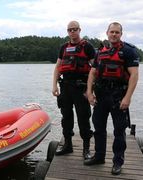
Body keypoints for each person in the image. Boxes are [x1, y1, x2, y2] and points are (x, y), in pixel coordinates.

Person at [84, 22, 139, 175]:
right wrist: (89, 92)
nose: (114, 34)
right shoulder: (100, 51)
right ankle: (99, 157)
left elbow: (134, 75)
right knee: (98, 127)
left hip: (118, 95)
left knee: (119, 130)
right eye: (111, 32)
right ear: (107, 32)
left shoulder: (129, 51)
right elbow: (92, 73)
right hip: (101, 95)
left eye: (117, 32)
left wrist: (128, 98)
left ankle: (117, 162)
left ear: (121, 34)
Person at [52, 21, 95, 160]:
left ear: (79, 30)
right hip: (65, 87)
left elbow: (95, 70)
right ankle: (67, 145)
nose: (72, 32)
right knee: (66, 117)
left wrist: (90, 90)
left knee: (83, 117)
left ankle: (86, 149)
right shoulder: (63, 47)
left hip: (81, 87)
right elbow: (58, 67)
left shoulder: (87, 47)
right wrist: (54, 85)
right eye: (70, 30)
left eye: (74, 29)